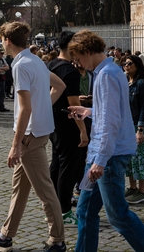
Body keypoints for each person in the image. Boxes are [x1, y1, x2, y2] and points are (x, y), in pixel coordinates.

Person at [65, 30, 144, 252]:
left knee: (118, 216)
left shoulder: (106, 75)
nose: (78, 64)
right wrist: (89, 111)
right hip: (104, 153)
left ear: (87, 51)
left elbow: (111, 121)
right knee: (85, 212)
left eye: (78, 59)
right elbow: (113, 111)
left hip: (107, 156)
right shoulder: (111, 71)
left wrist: (100, 161)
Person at [0, 21, 68, 252]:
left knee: (45, 192)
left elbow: (25, 109)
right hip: (39, 131)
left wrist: (15, 145)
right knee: (19, 189)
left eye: (1, 39)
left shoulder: (20, 66)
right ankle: (5, 235)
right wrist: (44, 108)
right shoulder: (36, 60)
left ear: (6, 40)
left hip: (30, 136)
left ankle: (57, 240)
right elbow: (59, 85)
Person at [46, 31, 89, 228]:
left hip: (52, 121)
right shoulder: (70, 71)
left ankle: (53, 207)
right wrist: (83, 130)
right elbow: (73, 105)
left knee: (56, 164)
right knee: (68, 168)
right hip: (68, 123)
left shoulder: (52, 65)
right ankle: (63, 210)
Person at [122, 54, 144, 204]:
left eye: (129, 63)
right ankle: (132, 187)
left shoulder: (142, 84)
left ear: (137, 65)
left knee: (140, 158)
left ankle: (142, 191)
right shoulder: (127, 82)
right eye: (125, 64)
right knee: (130, 158)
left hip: (138, 125)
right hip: (128, 125)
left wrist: (140, 129)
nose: (126, 66)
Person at [0, 48, 11, 112]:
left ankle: (1, 106)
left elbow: (8, 67)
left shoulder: (3, 59)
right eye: (1, 53)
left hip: (2, 77)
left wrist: (0, 69)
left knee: (2, 93)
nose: (2, 55)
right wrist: (3, 69)